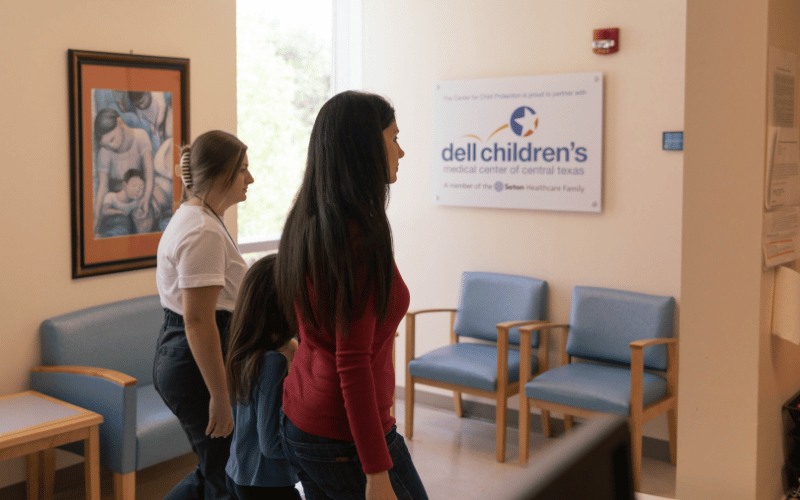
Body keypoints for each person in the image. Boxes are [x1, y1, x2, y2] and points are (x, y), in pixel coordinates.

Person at [275, 91, 428, 500]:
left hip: (304, 418)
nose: (402, 150)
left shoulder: (310, 218)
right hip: (343, 437)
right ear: (365, 148)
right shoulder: (357, 238)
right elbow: (352, 361)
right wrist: (376, 472)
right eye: (393, 138)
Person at [153, 130, 254, 500]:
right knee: (225, 477)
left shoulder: (199, 220)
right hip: (195, 364)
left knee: (216, 468)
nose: (251, 179)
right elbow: (198, 320)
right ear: (221, 173)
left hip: (187, 355)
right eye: (243, 169)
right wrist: (220, 394)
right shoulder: (201, 231)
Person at [224, 254, 302, 500]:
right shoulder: (273, 363)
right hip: (268, 482)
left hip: (239, 472)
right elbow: (271, 444)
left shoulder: (243, 352)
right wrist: (308, 454)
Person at [93, 107, 157, 235]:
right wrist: (96, 218)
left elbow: (150, 175)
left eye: (111, 139)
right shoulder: (104, 152)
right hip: (117, 200)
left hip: (140, 193)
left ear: (120, 122)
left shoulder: (140, 136)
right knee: (120, 228)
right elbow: (102, 187)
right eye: (106, 145)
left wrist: (146, 198)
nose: (110, 146)